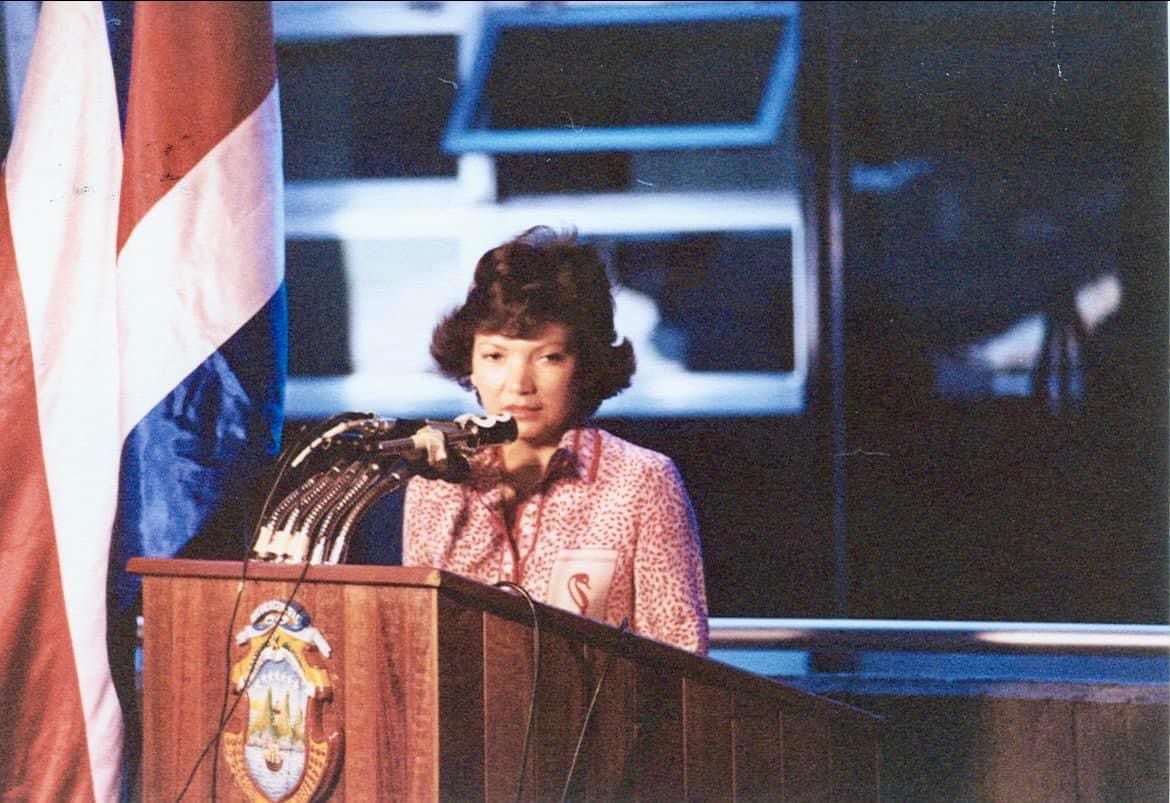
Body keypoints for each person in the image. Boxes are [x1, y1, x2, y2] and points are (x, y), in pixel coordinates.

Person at [402, 226, 709, 655]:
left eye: (548, 357)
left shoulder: (641, 482)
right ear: (469, 364)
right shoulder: (435, 485)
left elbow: (681, 658)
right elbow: (419, 649)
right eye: (494, 356)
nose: (519, 384)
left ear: (583, 365)